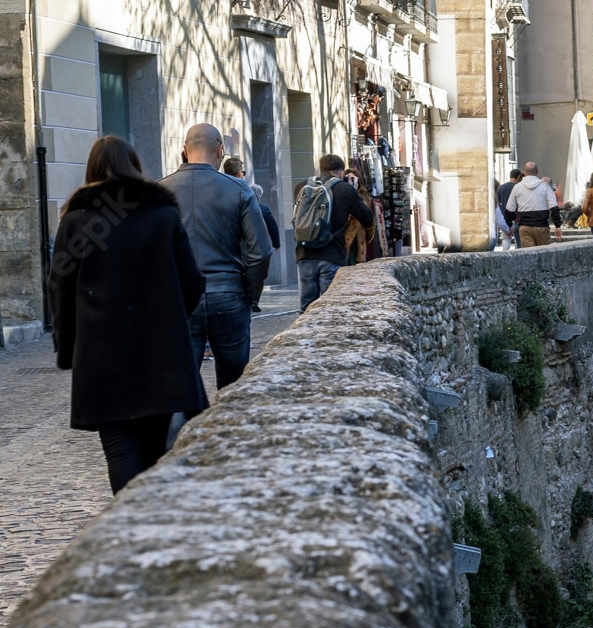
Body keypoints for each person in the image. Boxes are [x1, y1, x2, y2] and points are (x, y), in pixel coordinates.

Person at [48, 135, 207, 494]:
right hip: (160, 352)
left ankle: (131, 516)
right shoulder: (163, 216)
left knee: (120, 448)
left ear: (92, 169)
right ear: (134, 165)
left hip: (101, 352)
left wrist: (68, 348)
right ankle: (148, 514)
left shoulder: (76, 222)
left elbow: (61, 291)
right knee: (154, 447)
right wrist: (171, 320)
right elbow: (193, 281)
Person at [159, 123, 270, 391]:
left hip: (180, 298)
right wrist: (250, 295)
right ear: (221, 150)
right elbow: (260, 252)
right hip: (229, 293)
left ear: (184, 150)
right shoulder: (240, 190)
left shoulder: (160, 191)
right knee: (233, 388)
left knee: (178, 388)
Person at [294, 153, 374, 311]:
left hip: (304, 253)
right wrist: (354, 191)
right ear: (341, 173)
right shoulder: (345, 190)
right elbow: (366, 218)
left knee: (307, 308)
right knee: (329, 307)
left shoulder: (302, 187)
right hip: (332, 255)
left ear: (320, 169)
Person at [509, 162, 561, 246]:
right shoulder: (545, 186)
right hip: (541, 226)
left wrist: (508, 225)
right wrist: (557, 225)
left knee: (528, 252)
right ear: (537, 172)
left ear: (524, 173)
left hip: (524, 226)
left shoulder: (517, 187)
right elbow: (553, 207)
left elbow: (510, 208)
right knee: (544, 251)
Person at [495, 168, 521, 250]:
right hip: (517, 216)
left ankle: (505, 252)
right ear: (518, 177)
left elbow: (498, 202)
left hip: (504, 216)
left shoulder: (500, 188)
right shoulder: (518, 187)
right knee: (518, 239)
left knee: (506, 238)